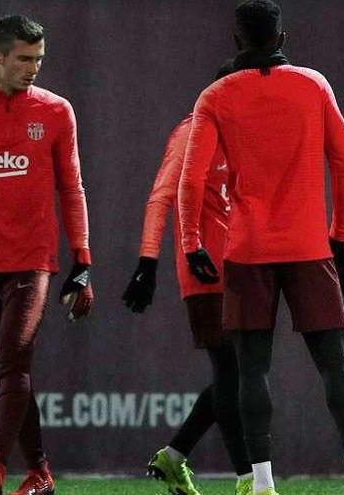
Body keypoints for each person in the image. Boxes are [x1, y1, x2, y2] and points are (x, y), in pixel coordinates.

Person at [176, 2, 344, 494]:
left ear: (236, 41)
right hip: (310, 246)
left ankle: (264, 485)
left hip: (247, 250)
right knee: (335, 363)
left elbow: (193, 179)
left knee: (251, 370)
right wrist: (343, 236)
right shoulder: (313, 84)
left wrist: (190, 243)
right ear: (282, 34)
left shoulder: (217, 95)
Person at [0, 14, 95, 495]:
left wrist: (82, 261)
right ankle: (40, 473)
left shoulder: (56, 111)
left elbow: (72, 187)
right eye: (24, 58)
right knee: (10, 372)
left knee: (13, 363)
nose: (34, 67)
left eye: (39, 58)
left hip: (33, 261)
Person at [122, 62, 252, 495]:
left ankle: (174, 456)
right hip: (205, 269)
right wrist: (147, 262)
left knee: (235, 373)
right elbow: (162, 196)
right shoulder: (191, 132)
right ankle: (249, 480)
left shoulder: (249, 133)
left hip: (248, 267)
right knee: (232, 371)